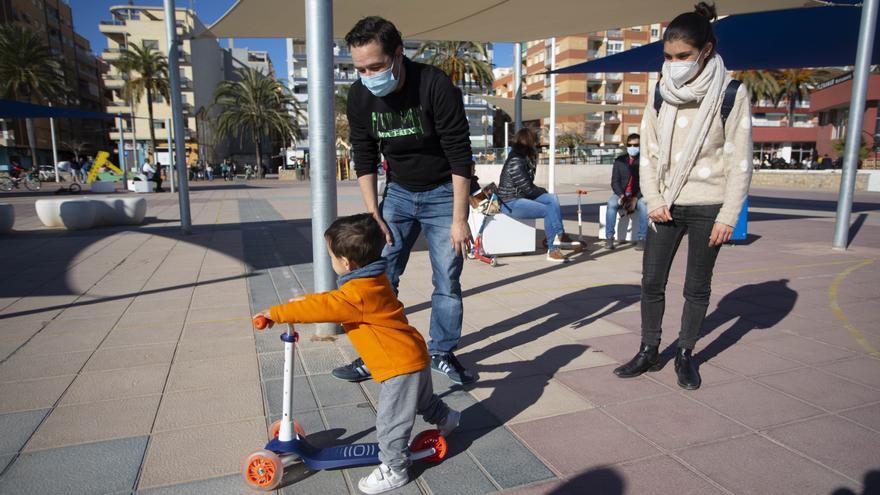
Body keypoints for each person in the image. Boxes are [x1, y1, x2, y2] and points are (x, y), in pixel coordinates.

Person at [254, 214, 459, 494]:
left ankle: (395, 469)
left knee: (391, 422)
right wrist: (308, 300)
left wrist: (275, 313)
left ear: (346, 263)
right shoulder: (374, 278)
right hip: (413, 355)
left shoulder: (356, 295)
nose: (332, 262)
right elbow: (331, 303)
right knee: (424, 401)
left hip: (399, 367)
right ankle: (447, 418)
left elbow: (329, 307)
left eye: (331, 257)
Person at [613, 2, 752, 390]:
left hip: (709, 204)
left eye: (683, 56)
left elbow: (739, 160)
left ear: (706, 50)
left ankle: (687, 354)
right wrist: (653, 199)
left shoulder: (731, 93)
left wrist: (728, 216)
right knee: (651, 282)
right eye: (668, 56)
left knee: (697, 286)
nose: (674, 63)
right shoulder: (660, 92)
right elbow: (651, 154)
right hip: (665, 205)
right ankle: (649, 350)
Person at [338, 16, 475, 385]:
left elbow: (461, 155)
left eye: (377, 66)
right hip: (397, 193)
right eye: (360, 68)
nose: (368, 75)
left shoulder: (433, 84)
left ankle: (442, 351)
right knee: (379, 275)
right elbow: (363, 156)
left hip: (443, 192)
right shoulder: (359, 95)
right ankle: (378, 350)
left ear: (399, 54)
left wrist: (459, 219)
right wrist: (373, 215)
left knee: (446, 278)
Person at [497, 127, 581, 263]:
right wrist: (542, 191)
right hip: (510, 202)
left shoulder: (524, 157)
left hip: (521, 196)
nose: (537, 144)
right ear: (528, 142)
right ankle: (553, 249)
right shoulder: (516, 161)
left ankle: (559, 235)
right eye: (535, 141)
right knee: (548, 210)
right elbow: (528, 188)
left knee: (552, 199)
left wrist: (544, 192)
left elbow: (527, 188)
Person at [605, 133, 649, 251]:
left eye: (635, 145)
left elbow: (646, 182)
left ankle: (642, 238)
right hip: (622, 193)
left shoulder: (645, 161)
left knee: (644, 206)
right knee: (611, 204)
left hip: (638, 194)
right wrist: (622, 196)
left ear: (640, 146)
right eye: (630, 145)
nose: (632, 147)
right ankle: (609, 238)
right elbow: (615, 182)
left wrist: (635, 197)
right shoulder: (619, 161)